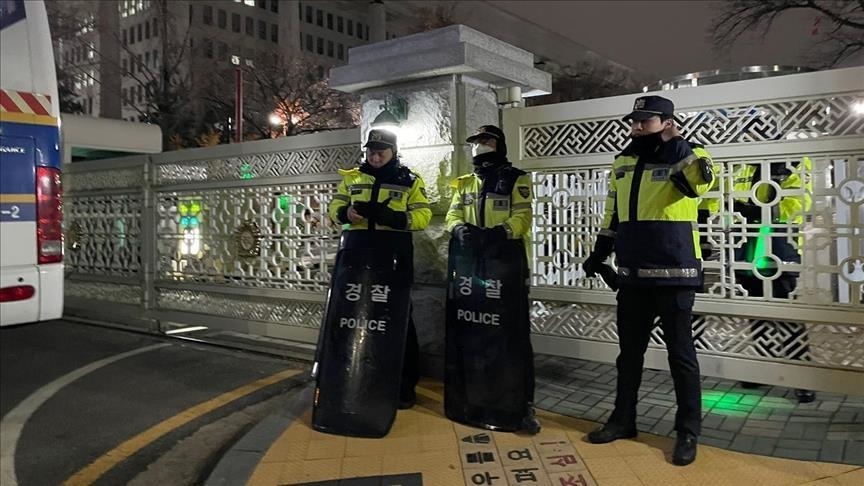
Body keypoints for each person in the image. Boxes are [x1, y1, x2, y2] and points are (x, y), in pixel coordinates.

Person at [582, 95, 714, 466]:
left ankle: (688, 431)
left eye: (646, 120)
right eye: (634, 121)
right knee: (629, 356)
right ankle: (623, 420)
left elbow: (698, 186)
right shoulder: (623, 160)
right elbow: (614, 212)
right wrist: (599, 251)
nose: (637, 126)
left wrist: (675, 144)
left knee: (681, 356)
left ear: (668, 122)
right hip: (633, 273)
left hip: (677, 273)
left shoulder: (693, 154)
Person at [327, 128, 432, 410]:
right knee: (355, 319)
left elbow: (423, 216)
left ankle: (403, 388)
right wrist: (345, 213)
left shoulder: (410, 180)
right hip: (358, 257)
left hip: (392, 259)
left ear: (393, 152)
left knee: (397, 320)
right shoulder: (352, 178)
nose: (374, 156)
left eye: (380, 152)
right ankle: (356, 379)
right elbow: (335, 207)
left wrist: (393, 217)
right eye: (371, 151)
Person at [444, 124, 539, 434]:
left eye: (485, 141)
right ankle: (471, 399)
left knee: (510, 336)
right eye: (476, 142)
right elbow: (452, 215)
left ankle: (518, 403)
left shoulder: (515, 178)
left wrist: (500, 234)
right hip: (471, 268)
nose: (479, 146)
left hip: (504, 267)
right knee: (472, 333)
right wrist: (459, 229)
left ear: (498, 144)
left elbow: (522, 217)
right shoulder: (464, 183)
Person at [732, 158, 815, 403]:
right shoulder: (744, 164)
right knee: (758, 314)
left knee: (787, 315)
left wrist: (759, 208)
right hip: (747, 249)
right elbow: (732, 200)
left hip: (780, 249)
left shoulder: (795, 164)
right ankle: (763, 369)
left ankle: (802, 378)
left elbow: (797, 203)